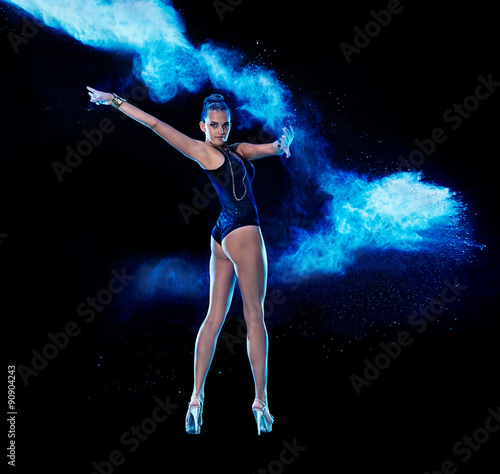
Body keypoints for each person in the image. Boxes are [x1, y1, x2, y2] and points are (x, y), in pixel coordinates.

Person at [86, 86, 294, 435]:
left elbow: (264, 149)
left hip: (221, 236)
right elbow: (155, 124)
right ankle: (260, 402)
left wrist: (281, 146)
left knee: (214, 318)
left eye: (225, 125)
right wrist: (115, 101)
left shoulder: (235, 149)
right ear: (202, 126)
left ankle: (196, 399)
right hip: (242, 233)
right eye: (214, 125)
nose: (220, 131)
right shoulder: (203, 151)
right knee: (254, 317)